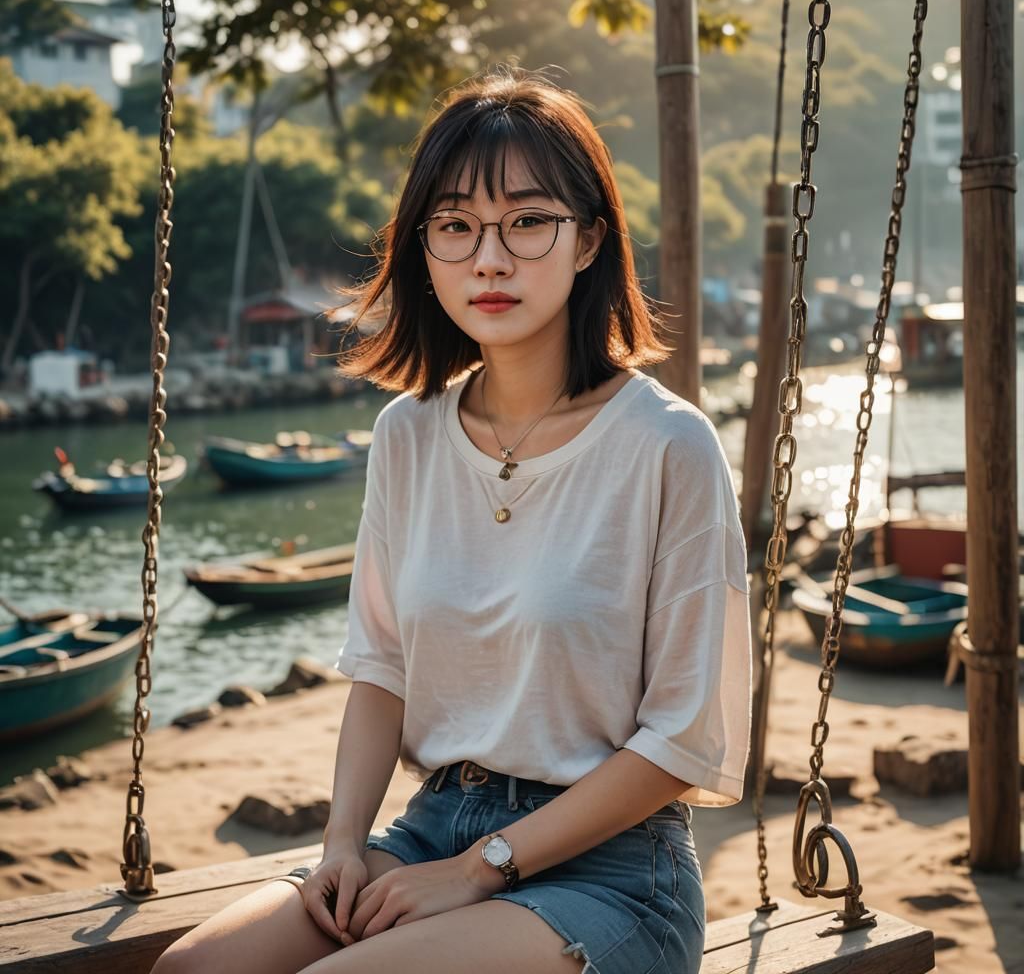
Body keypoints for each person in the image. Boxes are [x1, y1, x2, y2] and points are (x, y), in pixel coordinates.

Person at [151, 65, 752, 974]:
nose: (490, 258)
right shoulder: (409, 434)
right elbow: (382, 669)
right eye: (457, 226)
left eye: (528, 222)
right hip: (432, 826)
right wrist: (343, 846)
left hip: (613, 872)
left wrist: (485, 867)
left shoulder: (668, 444)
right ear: (424, 250)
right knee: (192, 970)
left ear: (588, 239)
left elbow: (685, 740)